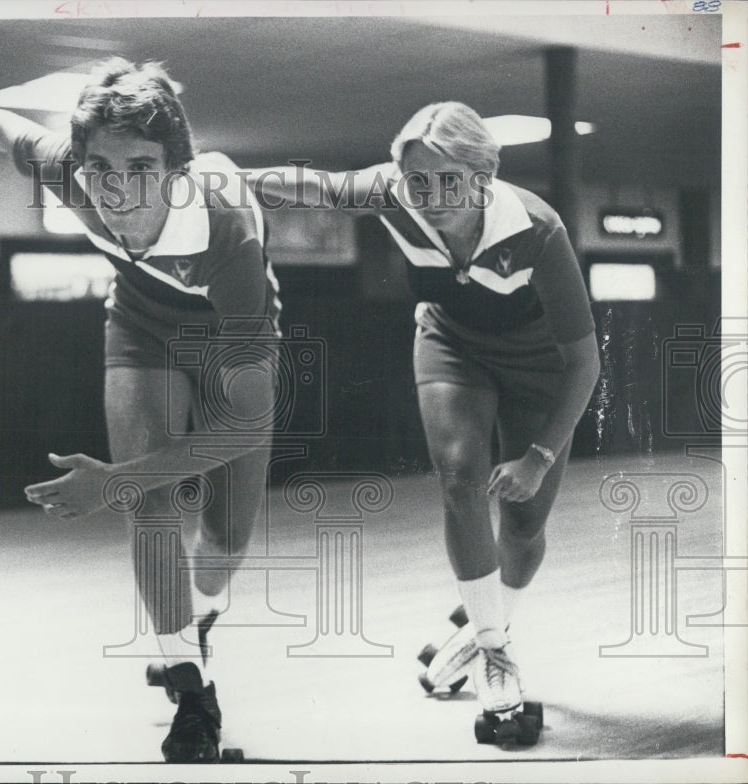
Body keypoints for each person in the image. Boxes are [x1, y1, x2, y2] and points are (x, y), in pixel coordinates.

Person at [0, 57, 281, 762]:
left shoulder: (225, 228)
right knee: (151, 499)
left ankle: (201, 614)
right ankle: (194, 691)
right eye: (100, 168)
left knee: (226, 534)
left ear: (176, 167)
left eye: (140, 166)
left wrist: (108, 480)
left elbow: (249, 424)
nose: (116, 189)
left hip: (228, 337)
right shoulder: (70, 172)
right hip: (140, 324)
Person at [249, 102, 600, 717]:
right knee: (461, 477)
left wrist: (540, 458)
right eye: (415, 181)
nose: (429, 196)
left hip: (542, 368)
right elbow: (316, 187)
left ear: (482, 179)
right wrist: (223, 178)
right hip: (452, 344)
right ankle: (496, 650)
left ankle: (485, 620)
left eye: (447, 182)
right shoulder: (393, 193)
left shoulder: (538, 231)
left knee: (524, 524)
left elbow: (586, 362)